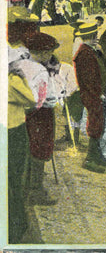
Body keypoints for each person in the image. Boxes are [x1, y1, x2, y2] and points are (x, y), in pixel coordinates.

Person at [22, 32, 60, 205]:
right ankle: (35, 190)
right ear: (43, 52)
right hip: (39, 112)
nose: (50, 55)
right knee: (40, 146)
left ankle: (30, 185)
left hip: (33, 112)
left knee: (35, 145)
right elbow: (43, 96)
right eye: (49, 51)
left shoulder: (25, 64)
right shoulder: (36, 69)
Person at [73, 23, 106, 173]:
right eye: (95, 36)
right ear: (91, 37)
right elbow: (90, 80)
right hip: (92, 95)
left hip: (92, 94)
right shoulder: (86, 54)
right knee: (95, 124)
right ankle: (90, 159)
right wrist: (99, 94)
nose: (97, 39)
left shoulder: (88, 51)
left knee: (98, 123)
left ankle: (97, 155)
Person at [7, 58, 36, 243]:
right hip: (12, 131)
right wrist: (22, 78)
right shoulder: (12, 80)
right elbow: (31, 100)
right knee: (13, 182)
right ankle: (16, 229)